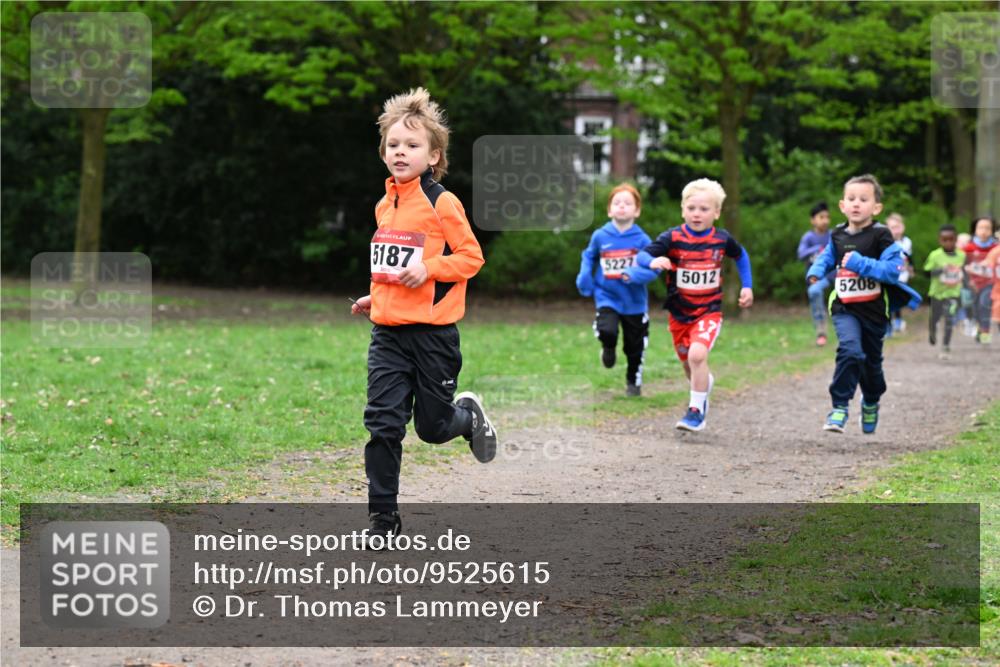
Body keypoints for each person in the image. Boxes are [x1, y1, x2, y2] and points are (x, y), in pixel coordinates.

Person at [350, 87, 497, 539]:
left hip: (433, 337)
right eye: (393, 145)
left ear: (433, 155)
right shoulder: (384, 204)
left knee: (432, 429)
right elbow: (392, 266)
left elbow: (471, 258)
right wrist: (378, 298)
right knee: (382, 422)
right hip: (389, 335)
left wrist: (431, 268)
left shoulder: (442, 202)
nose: (400, 152)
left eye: (411, 145)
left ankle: (466, 416)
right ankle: (383, 519)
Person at [635, 178, 753, 432]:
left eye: (704, 209)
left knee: (698, 355)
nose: (697, 214)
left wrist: (747, 286)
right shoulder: (672, 237)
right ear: (682, 209)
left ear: (716, 212)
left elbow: (741, 256)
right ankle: (702, 387)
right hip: (679, 314)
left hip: (708, 311)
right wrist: (653, 262)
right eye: (691, 209)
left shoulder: (721, 239)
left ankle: (696, 411)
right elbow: (643, 255)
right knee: (690, 366)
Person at [806, 174, 921, 434]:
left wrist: (860, 263)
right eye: (851, 198)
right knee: (850, 350)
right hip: (845, 306)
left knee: (871, 365)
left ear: (876, 207)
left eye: (863, 199)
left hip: (875, 312)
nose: (856, 204)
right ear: (842, 205)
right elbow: (826, 258)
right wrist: (815, 271)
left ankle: (870, 401)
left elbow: (892, 271)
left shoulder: (882, 236)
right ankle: (839, 407)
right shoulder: (837, 234)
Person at [576, 184, 661, 396]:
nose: (622, 207)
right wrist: (585, 276)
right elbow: (589, 256)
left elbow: (655, 269)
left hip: (634, 302)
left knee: (634, 346)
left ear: (637, 211)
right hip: (607, 296)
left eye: (628, 203)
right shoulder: (600, 236)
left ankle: (633, 382)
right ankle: (608, 347)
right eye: (617, 203)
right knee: (608, 329)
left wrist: (634, 274)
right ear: (609, 210)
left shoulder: (642, 240)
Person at [923, 224, 965, 359]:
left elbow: (966, 272)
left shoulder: (962, 255)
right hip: (936, 293)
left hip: (953, 293)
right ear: (939, 240)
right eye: (944, 240)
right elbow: (925, 273)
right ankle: (932, 331)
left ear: (955, 239)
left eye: (951, 239)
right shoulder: (935, 255)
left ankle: (946, 346)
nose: (948, 242)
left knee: (949, 318)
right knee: (934, 318)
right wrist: (941, 270)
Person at [798, 202, 833, 346]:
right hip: (814, 278)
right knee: (814, 292)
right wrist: (816, 249)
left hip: (832, 276)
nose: (825, 220)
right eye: (821, 217)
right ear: (813, 220)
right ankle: (821, 330)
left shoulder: (832, 235)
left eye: (827, 217)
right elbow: (800, 254)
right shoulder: (809, 237)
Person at [962, 216, 998, 344]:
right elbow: (960, 264)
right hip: (972, 283)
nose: (984, 231)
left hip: (989, 283)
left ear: (992, 230)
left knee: (985, 304)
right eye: (981, 228)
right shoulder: (968, 248)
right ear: (975, 230)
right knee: (975, 306)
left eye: (987, 228)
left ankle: (985, 331)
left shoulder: (995, 247)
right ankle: (978, 326)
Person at [885, 212, 914, 335]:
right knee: (889, 298)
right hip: (890, 275)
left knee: (897, 298)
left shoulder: (907, 242)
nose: (895, 230)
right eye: (892, 227)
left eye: (897, 227)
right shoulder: (886, 242)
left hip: (902, 275)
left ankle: (898, 320)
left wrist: (912, 269)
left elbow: (909, 257)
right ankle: (889, 324)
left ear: (902, 227)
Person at [956, 232, 975, 337]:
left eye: (965, 242)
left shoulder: (971, 255)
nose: (962, 244)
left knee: (968, 303)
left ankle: (969, 321)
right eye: (960, 242)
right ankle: (961, 321)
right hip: (955, 284)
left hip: (968, 284)